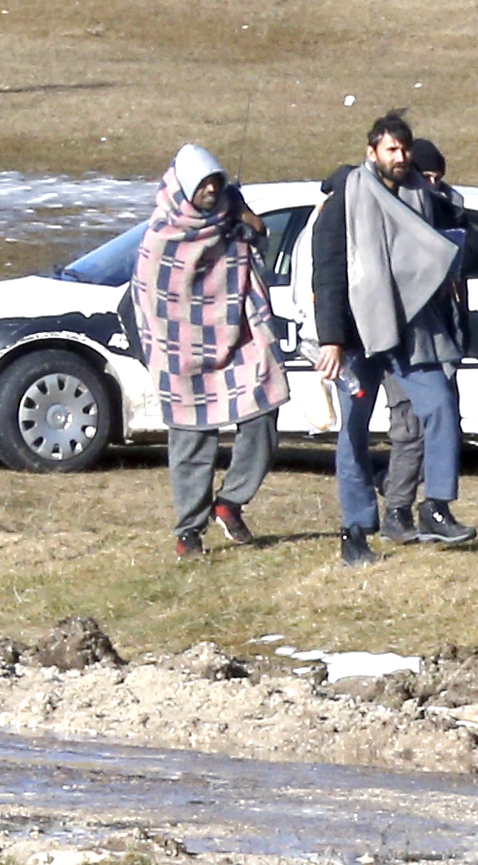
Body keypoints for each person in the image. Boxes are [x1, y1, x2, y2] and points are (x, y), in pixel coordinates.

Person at [308, 113, 473, 567]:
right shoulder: (345, 199)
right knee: (354, 432)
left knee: (440, 405)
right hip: (358, 334)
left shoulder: (424, 196)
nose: (400, 157)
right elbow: (328, 271)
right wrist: (331, 339)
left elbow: (457, 246)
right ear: (372, 152)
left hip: (412, 330)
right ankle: (355, 530)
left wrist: (451, 206)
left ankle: (436, 506)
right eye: (391, 149)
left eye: (404, 149)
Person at [132, 146, 286, 561]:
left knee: (265, 411)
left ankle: (231, 500)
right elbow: (150, 295)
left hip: (239, 335)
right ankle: (189, 530)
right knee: (192, 439)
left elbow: (258, 238)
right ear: (184, 187)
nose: (211, 190)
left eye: (216, 182)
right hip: (181, 347)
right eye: (203, 184)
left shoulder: (231, 210)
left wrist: (250, 229)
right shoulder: (162, 233)